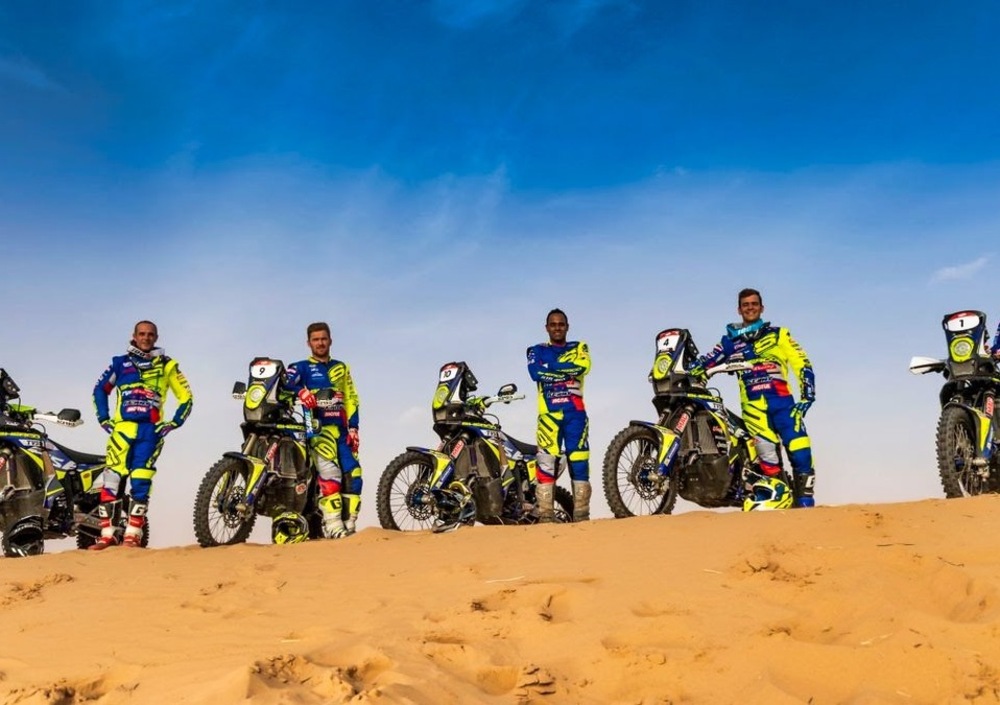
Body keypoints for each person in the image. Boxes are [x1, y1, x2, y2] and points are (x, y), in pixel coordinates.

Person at [689, 289, 817, 507]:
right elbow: (706, 362)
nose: (750, 308)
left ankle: (806, 506)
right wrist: (685, 369)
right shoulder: (730, 341)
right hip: (754, 410)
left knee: (801, 452)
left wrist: (807, 395)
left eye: (754, 304)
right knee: (768, 460)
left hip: (784, 405)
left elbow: (802, 363)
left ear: (762, 308)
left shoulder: (779, 334)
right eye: (746, 305)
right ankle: (781, 506)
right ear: (739, 310)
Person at [91, 320, 193, 548]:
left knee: (141, 480)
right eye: (142, 334)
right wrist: (103, 418)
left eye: (150, 334)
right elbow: (100, 389)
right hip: (122, 430)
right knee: (111, 480)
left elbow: (186, 397)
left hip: (149, 431)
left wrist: (174, 423)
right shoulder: (119, 363)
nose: (146, 338)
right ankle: (107, 535)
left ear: (156, 337)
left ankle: (133, 535)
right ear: (134, 336)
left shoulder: (167, 365)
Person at [283, 322, 362, 539]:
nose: (320, 343)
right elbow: (285, 383)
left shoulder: (342, 367)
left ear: (330, 341)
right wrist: (300, 392)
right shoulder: (301, 367)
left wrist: (354, 428)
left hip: (342, 431)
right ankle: (333, 525)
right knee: (330, 475)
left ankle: (349, 526)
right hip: (318, 430)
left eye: (323, 339)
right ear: (308, 343)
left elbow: (352, 398)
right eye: (315, 339)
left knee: (354, 476)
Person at [526, 308, 591, 522]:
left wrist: (550, 368)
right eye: (553, 324)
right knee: (545, 463)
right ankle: (546, 516)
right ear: (546, 328)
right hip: (549, 416)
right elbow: (535, 373)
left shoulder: (579, 347)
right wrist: (565, 371)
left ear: (567, 327)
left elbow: (582, 367)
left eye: (561, 324)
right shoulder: (535, 350)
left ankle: (582, 515)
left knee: (579, 461)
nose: (557, 328)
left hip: (576, 414)